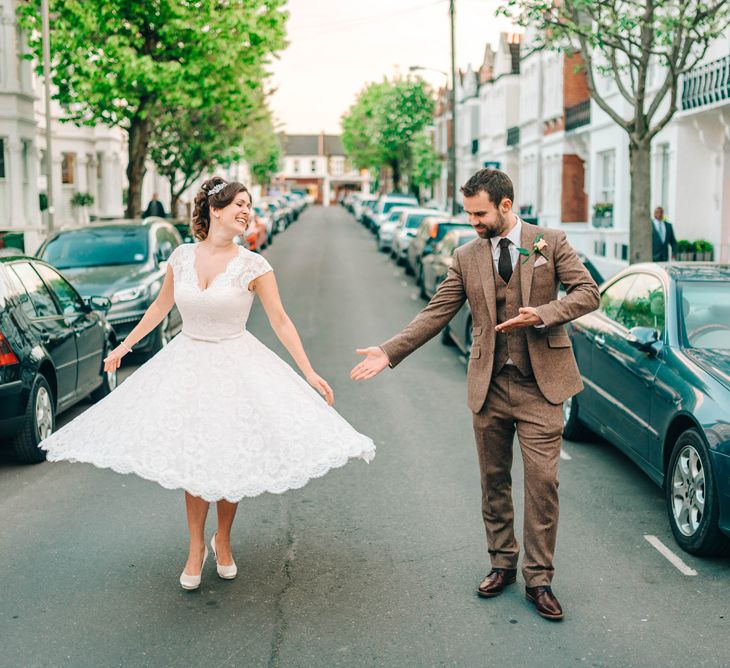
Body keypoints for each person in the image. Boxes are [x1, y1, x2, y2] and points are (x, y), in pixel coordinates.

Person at [40, 177, 375, 591]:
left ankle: (225, 539)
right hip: (187, 365)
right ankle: (196, 547)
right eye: (238, 204)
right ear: (215, 210)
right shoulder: (181, 258)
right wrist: (123, 347)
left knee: (229, 457)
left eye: (249, 205)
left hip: (236, 365)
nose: (246, 211)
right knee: (195, 459)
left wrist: (308, 371)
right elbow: (160, 307)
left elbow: (280, 321)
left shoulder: (255, 266)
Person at [351, 169, 599, 621]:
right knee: (494, 480)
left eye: (479, 213)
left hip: (542, 386)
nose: (472, 222)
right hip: (490, 385)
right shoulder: (466, 256)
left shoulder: (551, 241)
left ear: (506, 206)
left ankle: (539, 578)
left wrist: (541, 314)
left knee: (543, 483)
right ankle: (502, 562)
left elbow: (588, 293)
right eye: (468, 213)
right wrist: (389, 351)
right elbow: (436, 312)